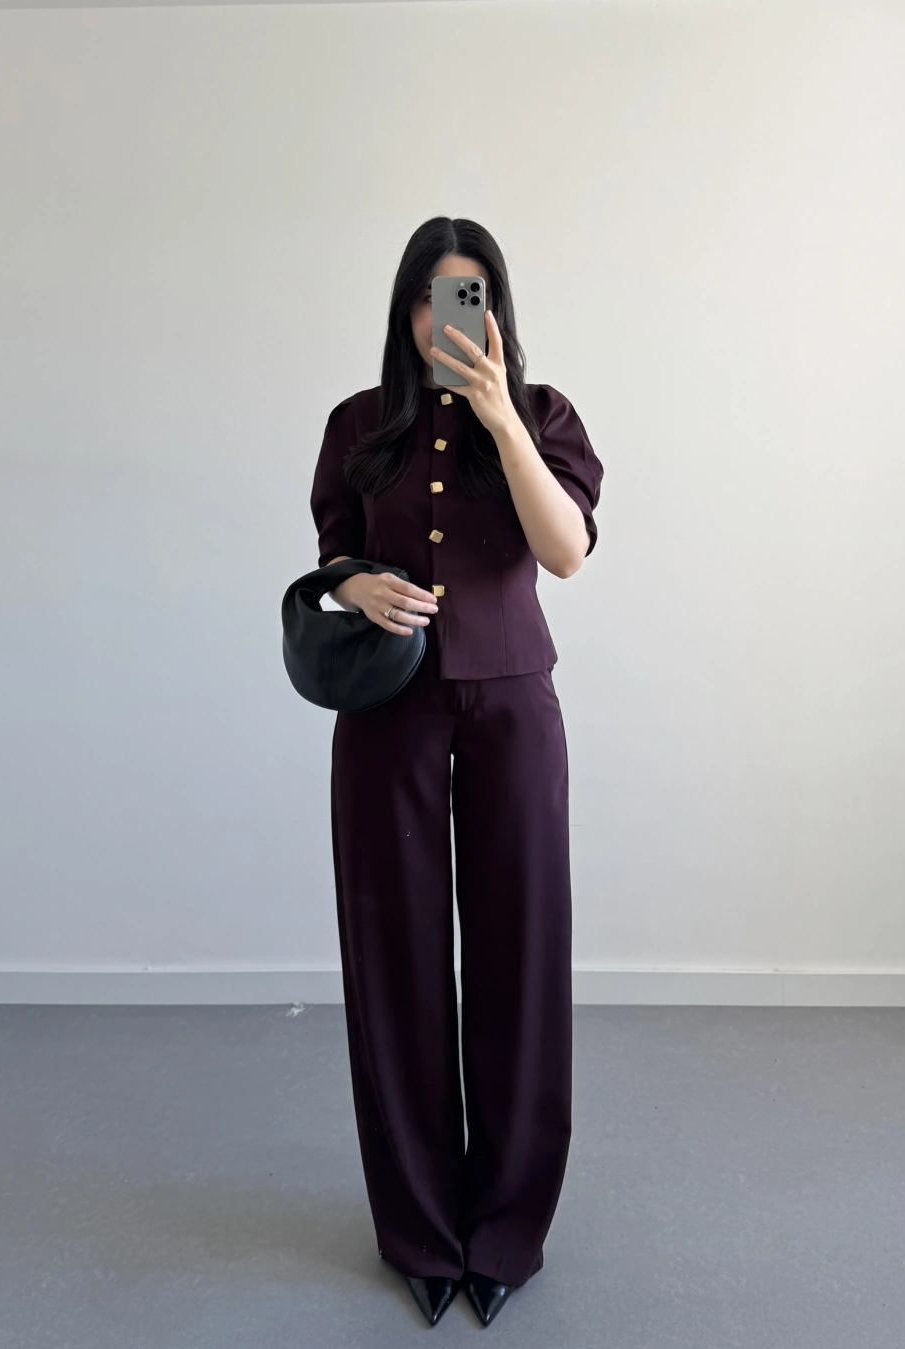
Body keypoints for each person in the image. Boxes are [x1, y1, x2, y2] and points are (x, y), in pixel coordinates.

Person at [308, 217, 604, 1328]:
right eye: (433, 296)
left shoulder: (543, 415)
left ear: (499, 311)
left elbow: (566, 550)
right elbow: (332, 552)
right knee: (396, 960)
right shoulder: (358, 425)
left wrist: (498, 416)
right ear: (406, 312)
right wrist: (355, 585)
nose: (450, 317)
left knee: (521, 956)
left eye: (471, 295)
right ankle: (422, 1233)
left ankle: (508, 1232)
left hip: (514, 706)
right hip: (385, 708)